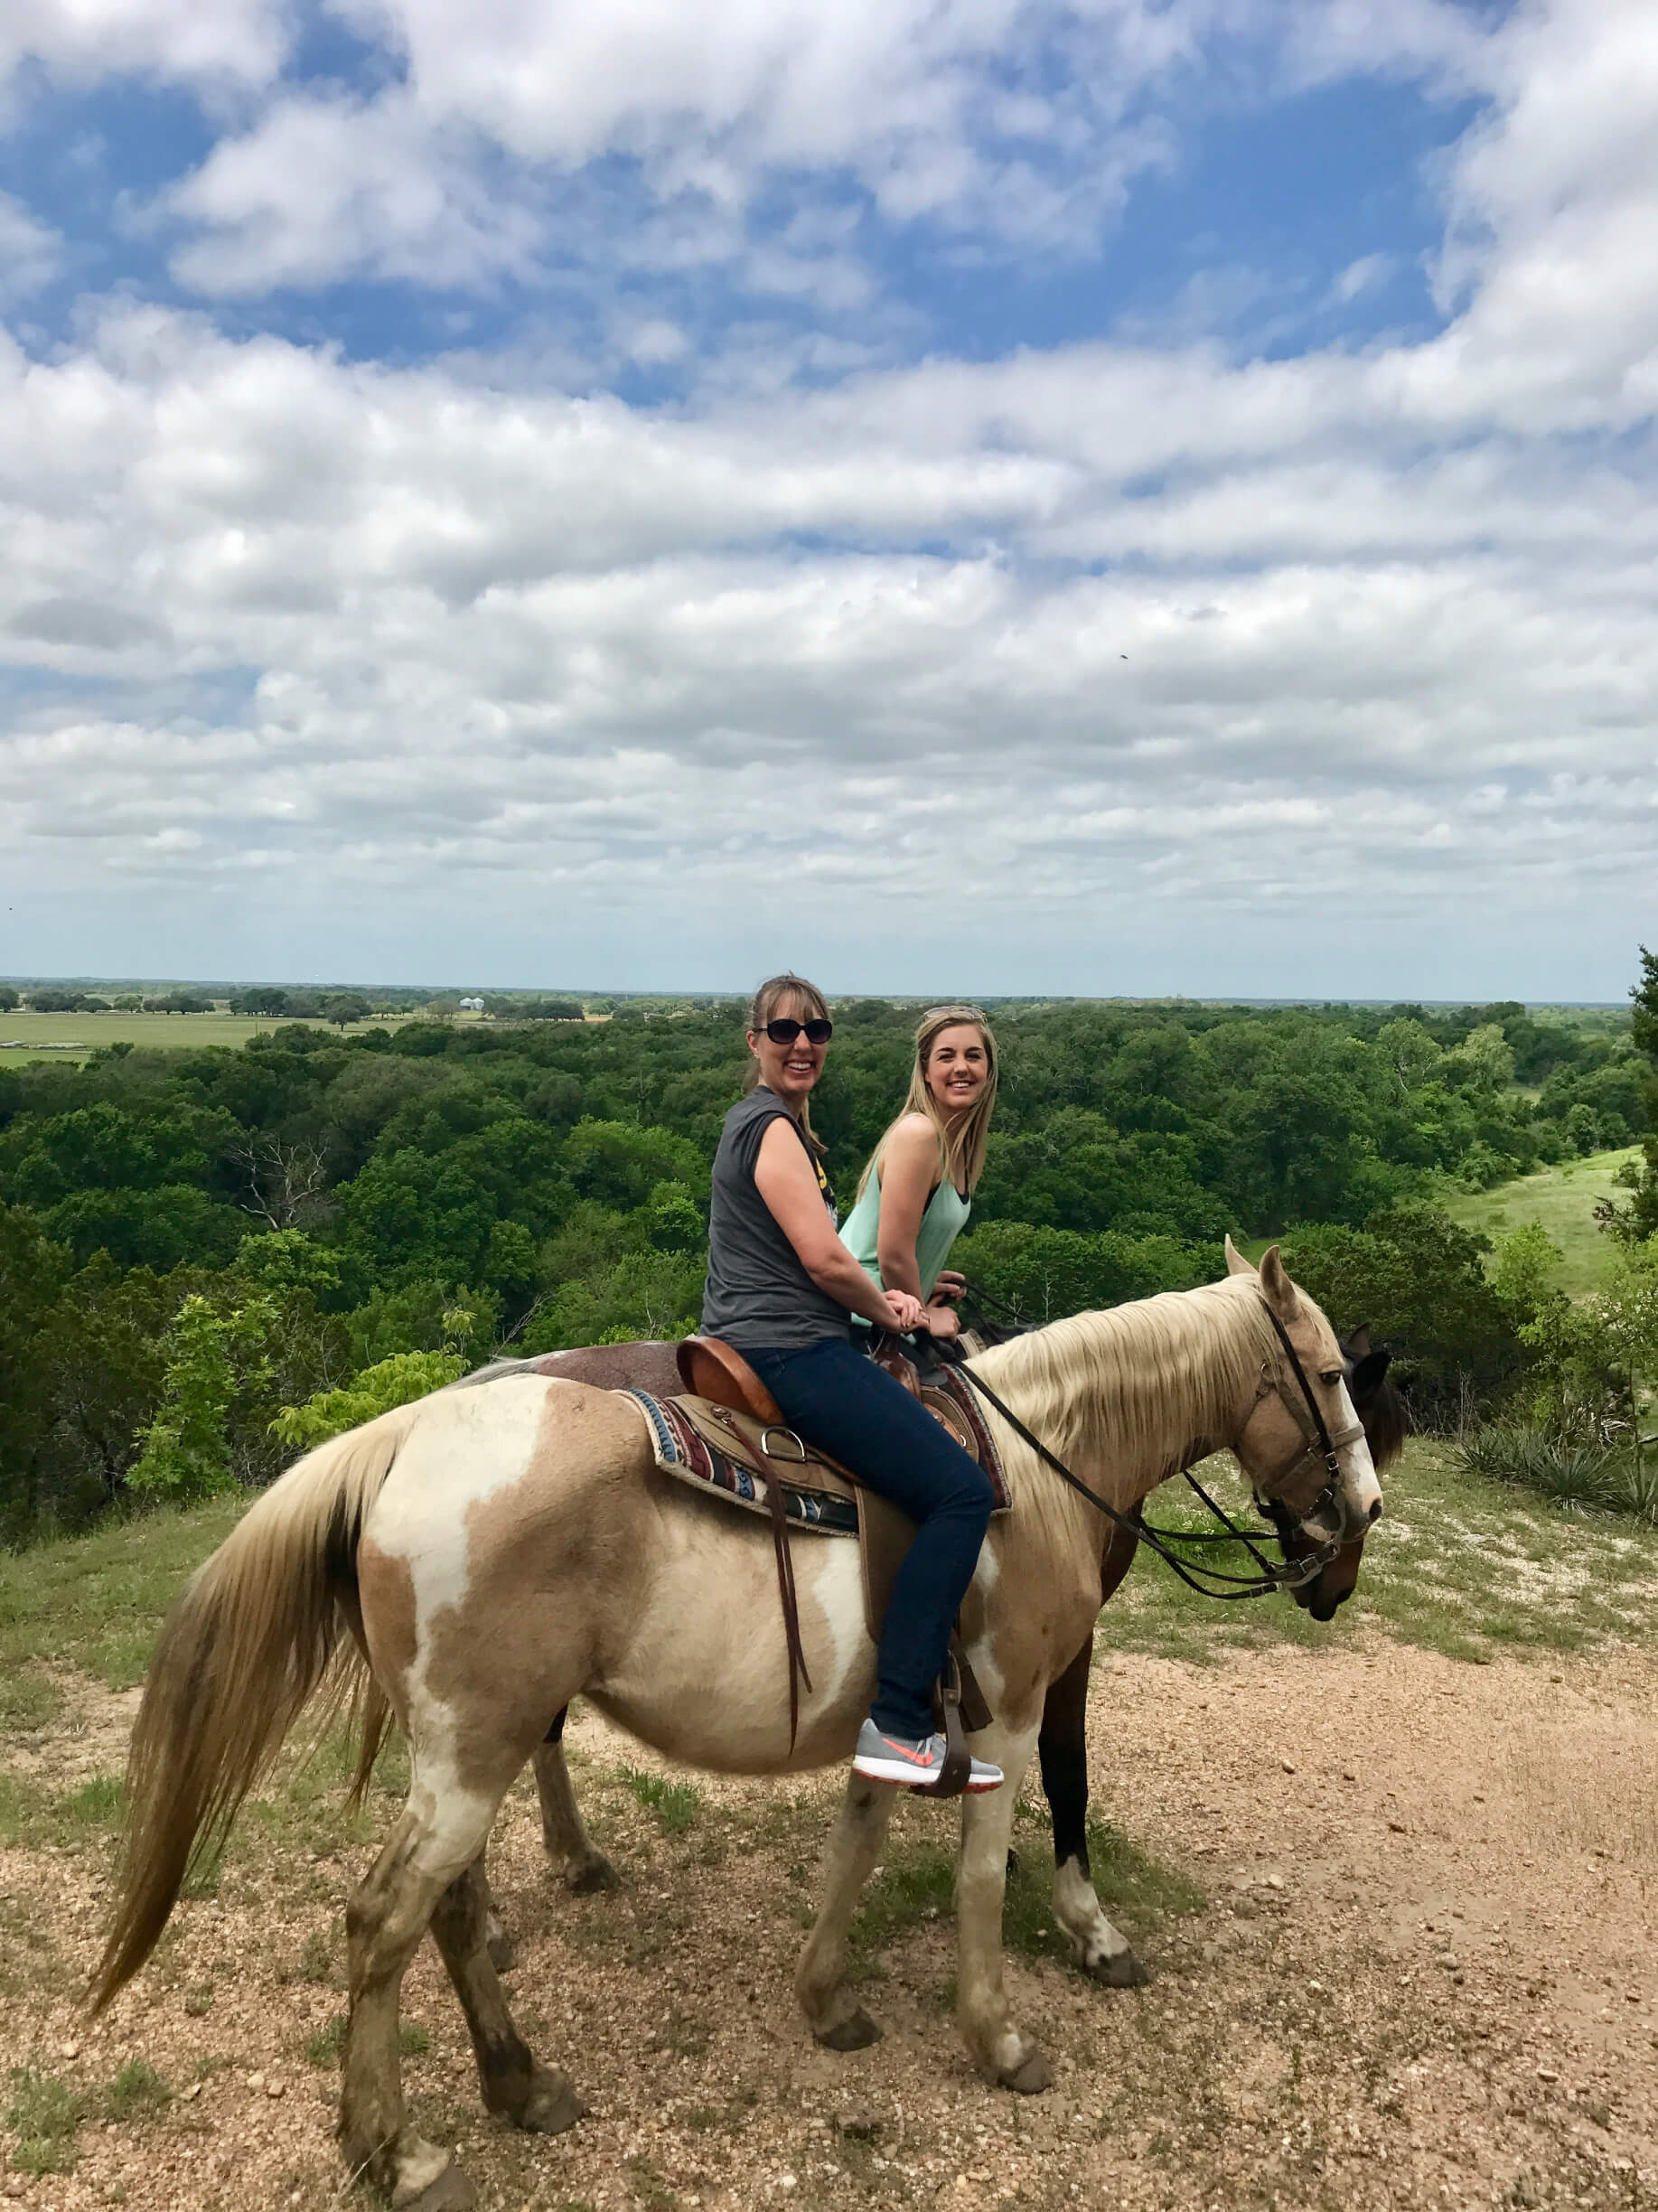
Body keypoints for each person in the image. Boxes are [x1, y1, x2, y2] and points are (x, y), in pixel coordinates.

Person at [701, 974, 1003, 1794]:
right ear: (755, 1039)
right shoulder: (770, 1128)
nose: (803, 1044)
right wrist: (900, 1315)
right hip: (792, 1346)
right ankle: (900, 1721)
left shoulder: (775, 1128)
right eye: (785, 1030)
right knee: (961, 1493)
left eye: (817, 1030)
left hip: (780, 1334)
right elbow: (830, 1258)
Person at [838, 1005, 998, 1345]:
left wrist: (924, 1276)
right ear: (925, 1071)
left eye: (973, 1056)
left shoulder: (957, 1147)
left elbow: (905, 1249)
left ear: (988, 1068)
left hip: (891, 1310)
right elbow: (892, 1255)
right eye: (945, 1057)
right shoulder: (919, 1134)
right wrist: (925, 1320)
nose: (961, 1067)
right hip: (857, 1320)